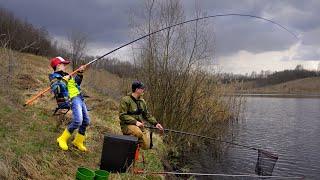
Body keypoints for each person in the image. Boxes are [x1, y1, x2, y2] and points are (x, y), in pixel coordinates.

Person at [49, 57, 90, 152]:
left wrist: (79, 73)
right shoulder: (54, 76)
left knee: (86, 121)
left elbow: (76, 84)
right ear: (58, 65)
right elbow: (56, 90)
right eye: (64, 64)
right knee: (78, 121)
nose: (65, 66)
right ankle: (62, 139)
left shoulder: (67, 74)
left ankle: (78, 141)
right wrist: (64, 81)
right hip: (72, 99)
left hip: (79, 97)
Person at [119, 80, 163, 149]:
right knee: (138, 133)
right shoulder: (125, 100)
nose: (143, 90)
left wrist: (156, 123)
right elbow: (122, 115)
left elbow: (147, 115)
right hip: (126, 125)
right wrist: (135, 122)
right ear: (137, 89)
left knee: (146, 146)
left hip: (139, 126)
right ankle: (127, 147)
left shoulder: (142, 101)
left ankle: (135, 148)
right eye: (142, 88)